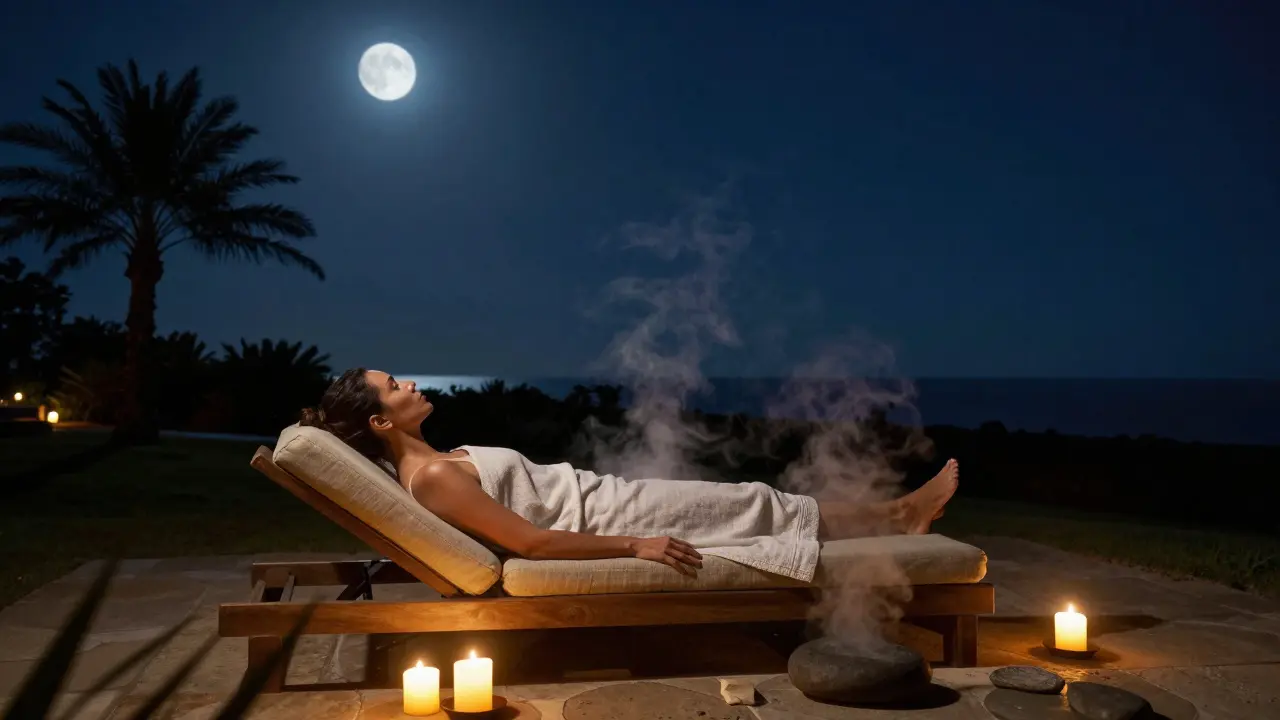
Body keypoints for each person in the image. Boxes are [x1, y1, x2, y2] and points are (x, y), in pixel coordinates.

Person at [298, 368, 959, 582]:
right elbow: (529, 543)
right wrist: (636, 545)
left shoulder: (437, 462)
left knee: (758, 501)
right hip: (616, 520)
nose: (409, 382)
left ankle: (900, 514)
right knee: (760, 505)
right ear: (382, 423)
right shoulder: (433, 481)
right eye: (393, 386)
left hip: (612, 499)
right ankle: (901, 516)